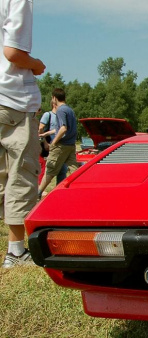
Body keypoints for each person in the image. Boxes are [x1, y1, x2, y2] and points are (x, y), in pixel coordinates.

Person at [0, 0, 46, 268]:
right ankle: (16, 252)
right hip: (12, 99)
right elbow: (13, 52)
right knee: (20, 173)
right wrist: (36, 64)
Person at [38, 88, 78, 197]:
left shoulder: (60, 110)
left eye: (52, 98)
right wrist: (46, 134)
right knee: (75, 170)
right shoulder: (70, 110)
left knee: (50, 170)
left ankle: (38, 193)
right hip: (71, 145)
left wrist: (54, 142)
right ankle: (78, 191)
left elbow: (63, 128)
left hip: (61, 146)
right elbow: (62, 128)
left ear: (54, 98)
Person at [38, 100, 68, 184]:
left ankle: (59, 191)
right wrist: (44, 143)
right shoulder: (48, 115)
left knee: (62, 170)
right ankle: (40, 190)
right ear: (54, 105)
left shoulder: (61, 116)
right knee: (48, 171)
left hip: (59, 147)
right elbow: (40, 128)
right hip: (49, 147)